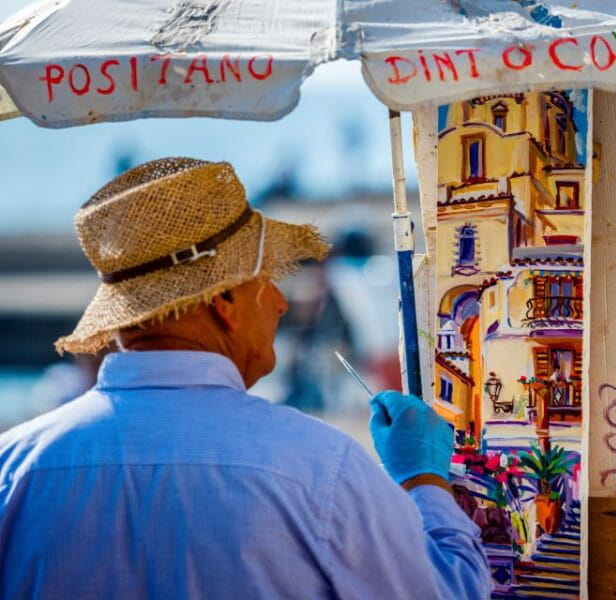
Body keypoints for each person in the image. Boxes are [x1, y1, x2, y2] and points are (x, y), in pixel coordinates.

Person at [0, 158, 491, 599]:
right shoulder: (320, 468)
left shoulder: (13, 467)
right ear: (225, 303)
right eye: (267, 279)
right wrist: (423, 480)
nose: (280, 302)